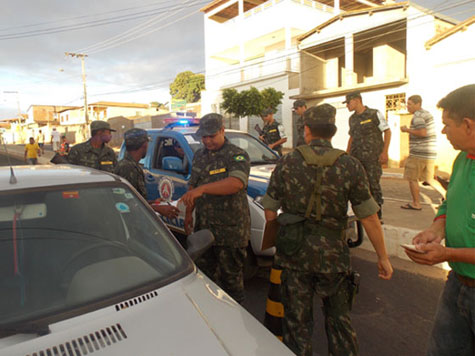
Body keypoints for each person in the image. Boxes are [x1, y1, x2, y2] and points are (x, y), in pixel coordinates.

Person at [262, 104, 393, 356]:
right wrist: (382, 257)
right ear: (333, 132)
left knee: (297, 325)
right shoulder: (350, 165)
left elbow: (270, 210)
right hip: (334, 259)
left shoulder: (288, 162)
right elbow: (369, 217)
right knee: (339, 323)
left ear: (307, 130)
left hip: (294, 257)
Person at [404, 84, 475, 356]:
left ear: (467, 125)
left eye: (447, 125)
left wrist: (446, 253)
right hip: (457, 284)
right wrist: (437, 228)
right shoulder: (462, 160)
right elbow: (450, 202)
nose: (442, 131)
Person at [180, 113, 251, 304]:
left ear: (222, 131)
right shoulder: (199, 156)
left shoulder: (236, 154)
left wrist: (203, 190)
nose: (207, 141)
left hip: (230, 231)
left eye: (211, 136)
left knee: (232, 285)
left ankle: (236, 325)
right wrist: (188, 214)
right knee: (203, 280)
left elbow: (236, 183)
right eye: (204, 137)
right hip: (204, 229)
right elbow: (193, 186)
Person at [345, 91, 391, 221]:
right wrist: (347, 154)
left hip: (372, 158)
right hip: (356, 158)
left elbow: (387, 132)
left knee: (373, 185)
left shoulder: (374, 114)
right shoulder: (352, 119)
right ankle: (361, 214)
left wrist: (384, 152)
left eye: (348, 102)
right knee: (358, 186)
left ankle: (377, 215)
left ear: (357, 100)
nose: (347, 105)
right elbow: (352, 137)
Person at [114, 128, 180, 219]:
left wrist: (152, 202)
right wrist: (157, 208)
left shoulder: (131, 165)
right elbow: (128, 203)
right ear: (144, 145)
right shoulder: (127, 168)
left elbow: (135, 198)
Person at [400, 95, 437, 210]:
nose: (407, 106)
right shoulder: (427, 114)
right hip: (429, 152)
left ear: (418, 104)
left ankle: (416, 203)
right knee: (430, 179)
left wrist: (407, 130)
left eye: (410, 104)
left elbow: (422, 133)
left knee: (412, 178)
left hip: (418, 154)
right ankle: (448, 200)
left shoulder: (418, 117)